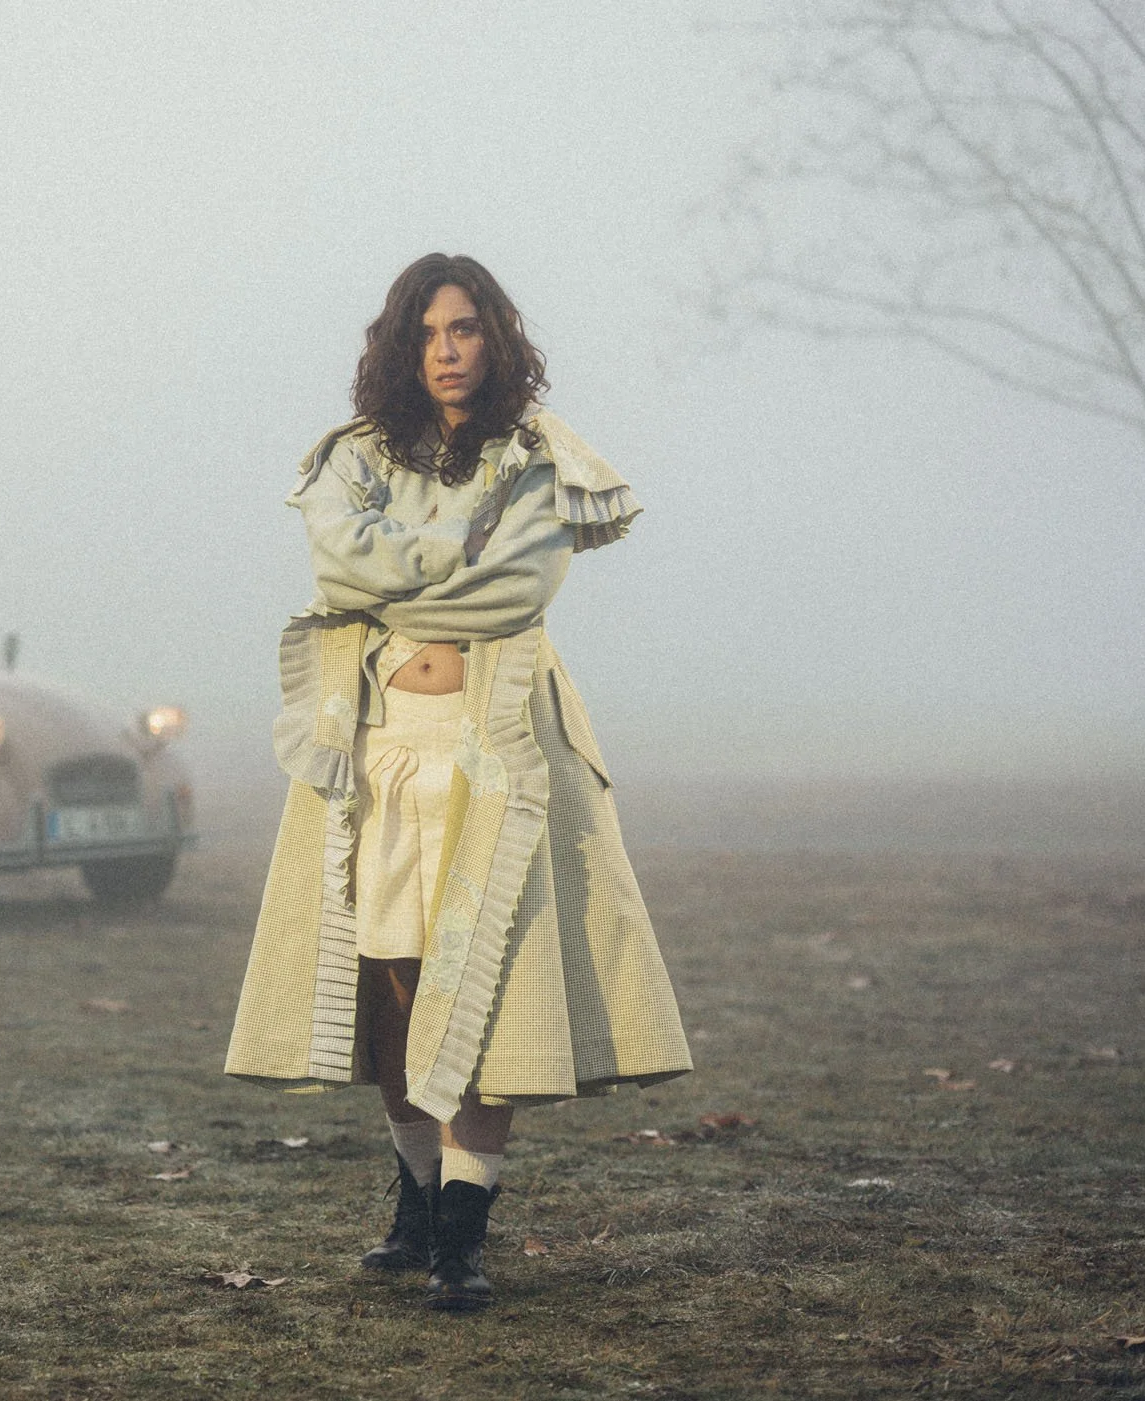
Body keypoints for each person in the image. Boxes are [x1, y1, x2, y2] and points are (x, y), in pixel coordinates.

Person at [224, 253, 692, 1312]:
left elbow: (515, 589)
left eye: (467, 328)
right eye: (430, 331)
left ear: (497, 338)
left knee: (487, 987)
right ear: (402, 344)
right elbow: (338, 569)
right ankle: (419, 1202)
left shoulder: (537, 459)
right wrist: (449, 557)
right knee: (392, 992)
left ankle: (460, 1242)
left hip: (500, 754)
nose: (448, 349)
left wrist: (404, 566)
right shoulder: (353, 457)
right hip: (381, 751)